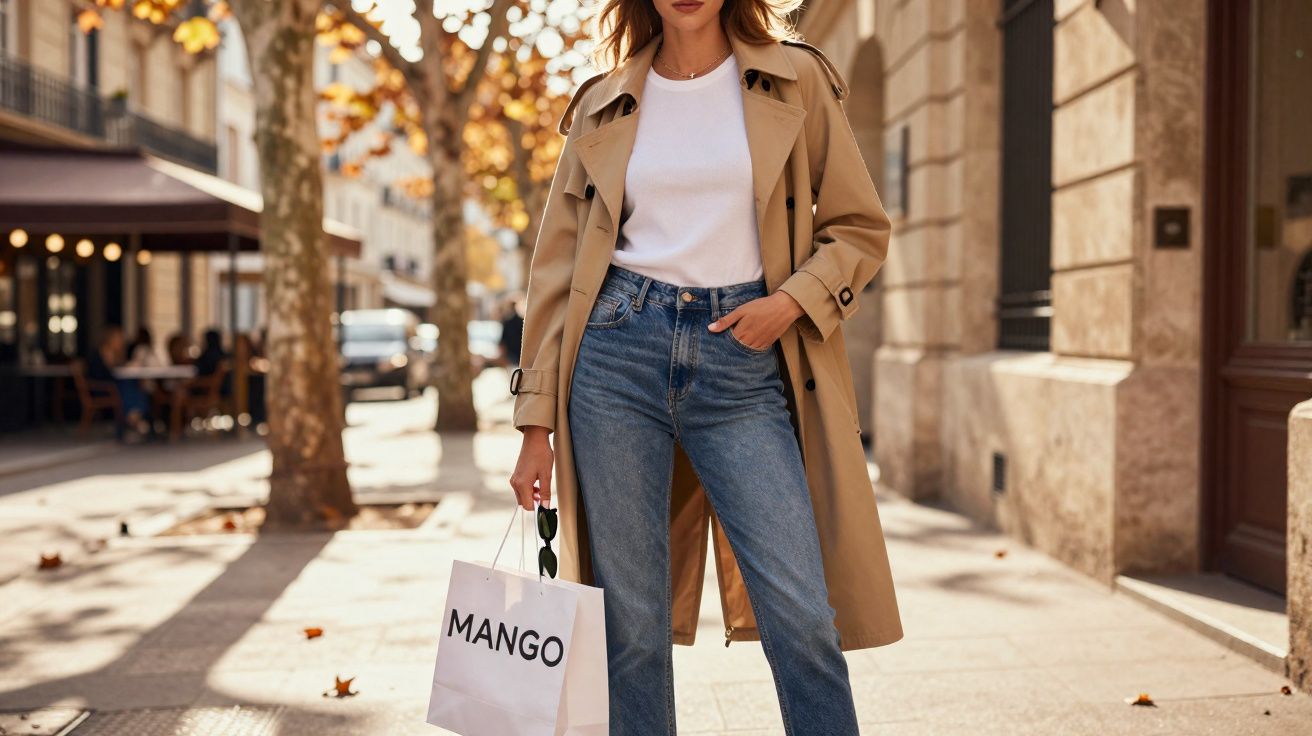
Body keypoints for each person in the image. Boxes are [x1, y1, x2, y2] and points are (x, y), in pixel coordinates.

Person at [507, 2, 902, 734]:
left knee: (805, 617)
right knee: (631, 626)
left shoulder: (797, 78)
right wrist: (536, 421)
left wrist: (789, 303)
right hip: (616, 356)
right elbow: (555, 272)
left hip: (746, 362)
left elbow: (859, 227)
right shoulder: (604, 101)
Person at [497, 292, 525, 368]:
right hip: (519, 353)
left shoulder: (507, 321)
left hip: (511, 354)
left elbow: (503, 340)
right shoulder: (521, 321)